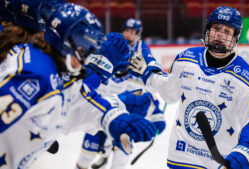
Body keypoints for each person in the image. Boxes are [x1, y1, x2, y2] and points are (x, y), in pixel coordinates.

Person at [0, 3, 157, 169]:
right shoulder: (35, 75)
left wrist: (114, 111)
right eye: (84, 51)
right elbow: (62, 100)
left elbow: (71, 97)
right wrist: (98, 72)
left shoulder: (43, 63)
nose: (84, 60)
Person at [130, 6, 249, 169]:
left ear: (235, 37)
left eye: (227, 31)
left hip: (219, 161)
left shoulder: (248, 80)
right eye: (216, 28)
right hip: (182, 154)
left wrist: (244, 152)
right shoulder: (186, 59)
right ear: (208, 30)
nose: (219, 34)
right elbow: (170, 93)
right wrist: (149, 73)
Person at [75, 18, 166, 169]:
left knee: (121, 158)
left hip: (123, 112)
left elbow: (149, 85)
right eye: (127, 30)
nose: (129, 34)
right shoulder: (113, 45)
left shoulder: (142, 52)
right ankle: (103, 154)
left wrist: (156, 109)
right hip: (100, 108)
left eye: (133, 32)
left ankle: (106, 153)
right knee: (86, 154)